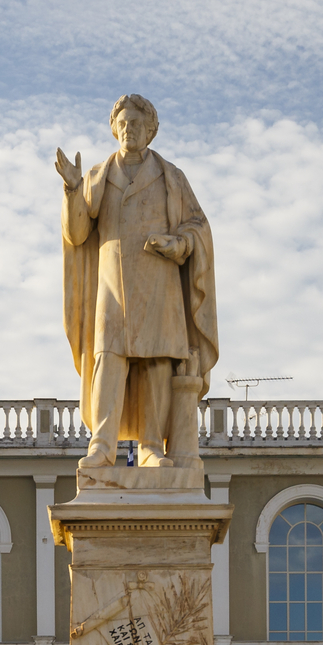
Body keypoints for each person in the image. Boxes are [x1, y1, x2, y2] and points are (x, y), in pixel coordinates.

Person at [57, 95, 219, 467]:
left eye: (137, 124)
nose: (130, 130)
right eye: (124, 124)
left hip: (159, 280)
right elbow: (78, 233)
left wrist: (178, 243)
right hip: (112, 284)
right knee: (108, 360)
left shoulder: (171, 177)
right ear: (115, 130)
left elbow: (198, 226)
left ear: (151, 131)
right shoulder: (99, 175)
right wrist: (71, 189)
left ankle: (151, 446)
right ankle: (102, 445)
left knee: (157, 362)